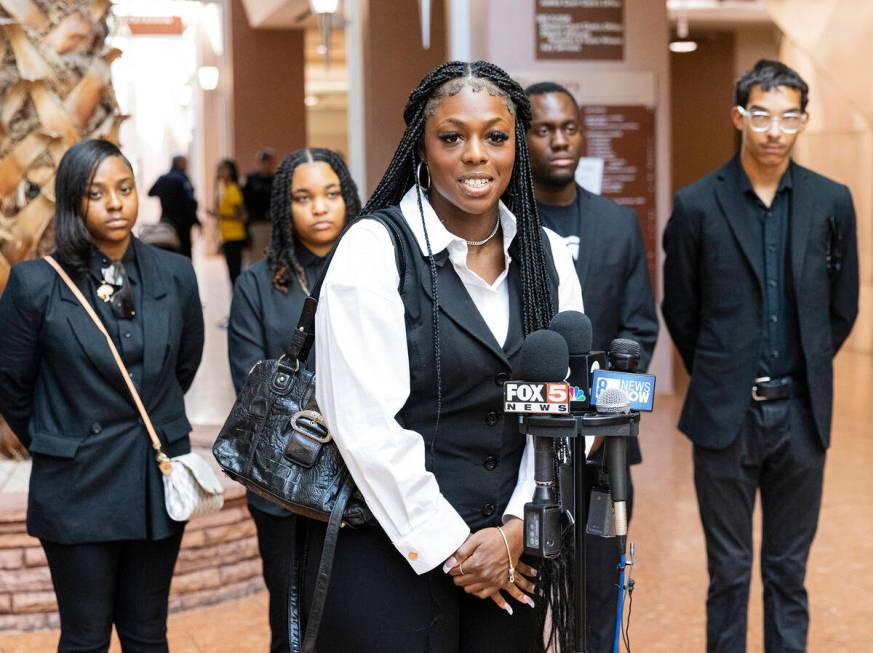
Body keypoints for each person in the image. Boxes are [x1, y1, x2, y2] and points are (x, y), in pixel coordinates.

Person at [307, 61, 588, 653]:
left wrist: (517, 528)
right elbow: (363, 425)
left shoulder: (547, 257)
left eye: (496, 137)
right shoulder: (374, 250)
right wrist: (456, 549)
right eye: (452, 137)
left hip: (513, 558)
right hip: (392, 550)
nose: (476, 155)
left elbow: (566, 406)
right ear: (421, 147)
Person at [662, 59, 858, 653]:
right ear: (739, 117)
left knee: (787, 573)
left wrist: (806, 369)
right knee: (729, 573)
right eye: (762, 116)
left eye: (789, 117)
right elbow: (682, 310)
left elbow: (842, 308)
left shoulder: (832, 201)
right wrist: (723, 374)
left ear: (803, 120)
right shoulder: (697, 204)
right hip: (726, 415)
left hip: (801, 415)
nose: (775, 131)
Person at [0, 139, 205, 651]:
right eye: (97, 193)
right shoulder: (34, 284)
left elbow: (184, 364)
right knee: (85, 636)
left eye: (125, 189)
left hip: (153, 478)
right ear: (74, 203)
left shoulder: (176, 274)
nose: (116, 203)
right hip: (76, 484)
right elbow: (12, 385)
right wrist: (62, 437)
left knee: (147, 634)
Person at [525, 80, 658, 651]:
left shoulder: (618, 224)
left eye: (570, 128)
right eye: (544, 129)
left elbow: (640, 328)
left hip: (606, 448)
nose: (560, 140)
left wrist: (603, 420)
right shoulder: (505, 230)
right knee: (526, 592)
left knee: (600, 591)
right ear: (522, 139)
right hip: (522, 449)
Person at [228, 147, 360, 653]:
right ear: (285, 208)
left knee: (360, 620)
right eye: (303, 198)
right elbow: (251, 387)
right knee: (292, 622)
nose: (320, 207)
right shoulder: (257, 285)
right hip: (282, 484)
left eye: (330, 194)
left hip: (364, 483)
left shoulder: (377, 272)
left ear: (348, 198)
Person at [147, 154, 200, 258]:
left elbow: (150, 193)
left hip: (166, 221)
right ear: (179, 163)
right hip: (183, 223)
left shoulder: (163, 179)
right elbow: (191, 202)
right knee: (184, 252)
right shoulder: (182, 179)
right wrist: (195, 220)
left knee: (169, 251)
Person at [211, 158, 246, 288]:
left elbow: (242, 216)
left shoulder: (232, 190)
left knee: (235, 274)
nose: (219, 172)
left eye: (222, 169)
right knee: (232, 273)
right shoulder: (224, 190)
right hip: (227, 236)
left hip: (235, 236)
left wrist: (222, 216)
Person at [242, 147, 277, 267]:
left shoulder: (276, 179)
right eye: (265, 161)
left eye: (270, 161)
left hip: (273, 223)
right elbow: (244, 201)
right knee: (256, 256)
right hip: (256, 223)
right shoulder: (251, 180)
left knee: (272, 256)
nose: (268, 165)